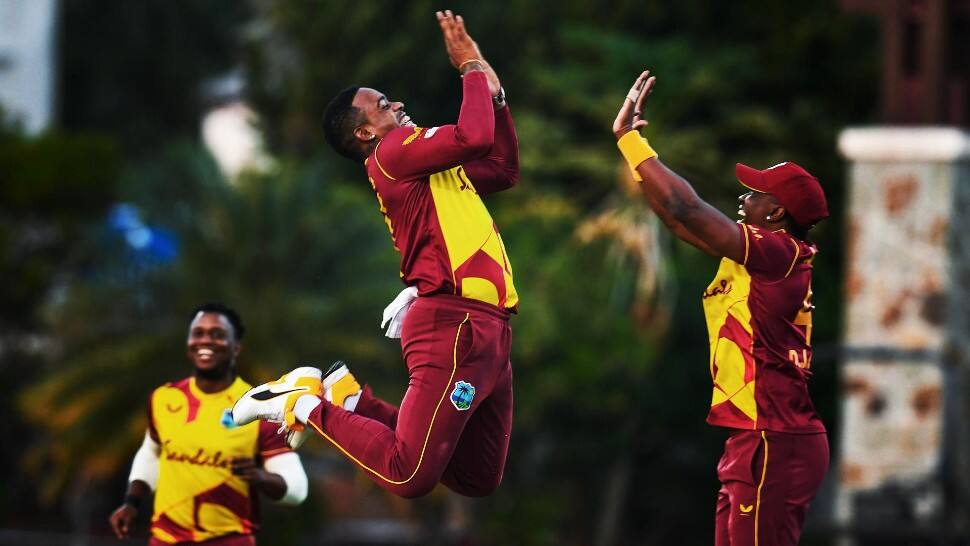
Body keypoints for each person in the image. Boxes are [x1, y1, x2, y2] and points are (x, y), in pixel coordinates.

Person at [231, 10, 518, 500]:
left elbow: (502, 168)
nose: (398, 105)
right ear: (365, 133)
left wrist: (495, 96)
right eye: (383, 105)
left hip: (491, 329)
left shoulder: (428, 169)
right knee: (408, 476)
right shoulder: (391, 153)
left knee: (478, 476)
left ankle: (350, 399)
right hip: (456, 323)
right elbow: (474, 136)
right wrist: (469, 66)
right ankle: (302, 404)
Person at [612, 71, 829, 545]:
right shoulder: (760, 258)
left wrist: (633, 141)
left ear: (776, 214)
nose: (743, 198)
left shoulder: (777, 252)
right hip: (754, 435)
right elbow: (677, 220)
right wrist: (626, 148)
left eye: (755, 194)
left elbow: (689, 209)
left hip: (774, 438)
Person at [109, 303, 308, 545]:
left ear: (236, 348)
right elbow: (151, 452)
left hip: (228, 540)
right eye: (198, 333)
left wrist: (260, 477)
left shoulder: (260, 406)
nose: (206, 341)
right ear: (189, 343)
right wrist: (132, 503)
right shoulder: (163, 398)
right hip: (165, 539)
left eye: (218, 335)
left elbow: (297, 489)